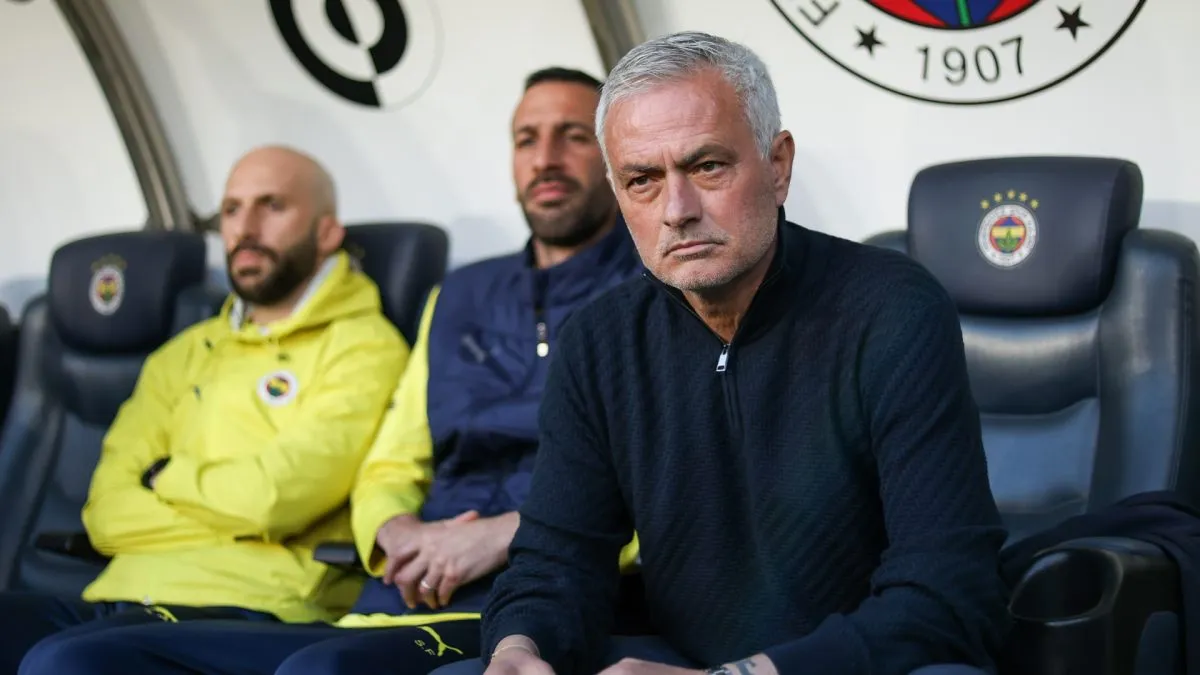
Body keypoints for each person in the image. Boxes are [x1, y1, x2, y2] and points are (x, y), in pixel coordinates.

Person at [19, 67, 644, 675]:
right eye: (526, 139)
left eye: (573, 136)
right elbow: (392, 463)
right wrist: (392, 532)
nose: (545, 158)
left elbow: (665, 485)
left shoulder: (652, 293)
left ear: (616, 161)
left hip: (546, 592)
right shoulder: (457, 296)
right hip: (401, 592)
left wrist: (510, 535)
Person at [439, 31, 1012, 675]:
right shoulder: (597, 341)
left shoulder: (891, 307)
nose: (677, 210)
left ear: (778, 165)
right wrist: (520, 648)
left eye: (707, 166)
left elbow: (948, 594)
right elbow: (555, 562)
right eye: (642, 179)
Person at [0, 145, 408, 675]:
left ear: (328, 232)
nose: (246, 228)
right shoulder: (185, 352)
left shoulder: (364, 347)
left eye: (272, 206)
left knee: (65, 662)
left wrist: (163, 478)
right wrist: (235, 524)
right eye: (232, 210)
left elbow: (273, 500)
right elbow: (105, 513)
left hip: (254, 606)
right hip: (119, 593)